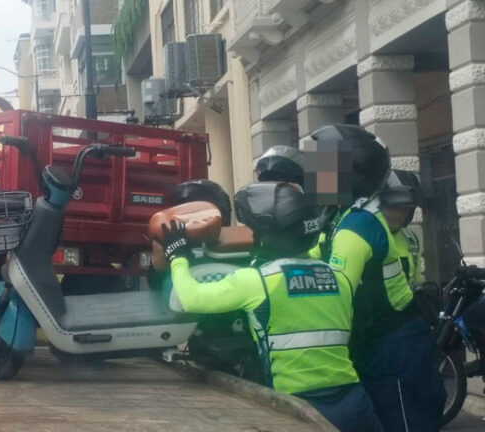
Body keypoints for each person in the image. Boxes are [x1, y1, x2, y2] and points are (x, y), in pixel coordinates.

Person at [157, 182, 383, 432]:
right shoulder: (338, 277)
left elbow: (191, 299)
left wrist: (177, 256)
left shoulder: (258, 281)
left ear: (267, 235)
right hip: (353, 402)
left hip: (298, 408)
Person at [313, 124, 445, 432]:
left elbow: (338, 294)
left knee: (404, 423)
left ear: (354, 172)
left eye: (326, 167)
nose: (319, 175)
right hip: (391, 337)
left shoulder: (357, 225)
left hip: (390, 345)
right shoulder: (354, 214)